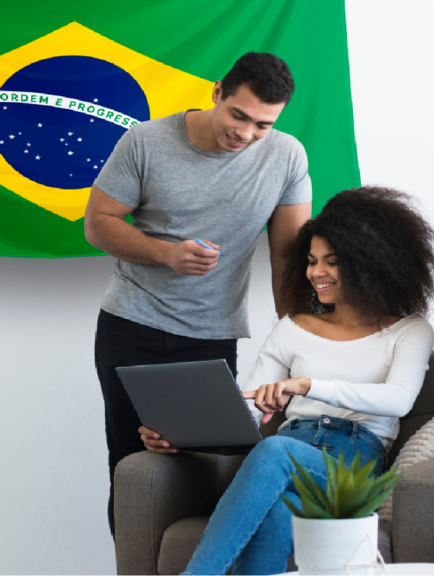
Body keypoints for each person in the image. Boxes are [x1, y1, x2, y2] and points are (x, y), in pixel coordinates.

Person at [145, 186, 434, 575]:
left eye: (331, 261)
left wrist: (305, 385)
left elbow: (399, 400)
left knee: (273, 452)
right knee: (277, 508)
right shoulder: (293, 327)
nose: (316, 272)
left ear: (371, 262)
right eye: (311, 260)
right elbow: (247, 405)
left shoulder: (410, 330)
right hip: (292, 448)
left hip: (352, 464)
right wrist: (177, 432)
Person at [83, 52, 312, 536]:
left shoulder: (287, 155)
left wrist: (297, 346)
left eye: (262, 125)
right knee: (132, 468)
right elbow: (98, 225)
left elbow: (288, 258)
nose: (246, 134)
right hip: (132, 327)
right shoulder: (146, 142)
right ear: (217, 93)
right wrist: (165, 254)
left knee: (211, 468)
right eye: (239, 115)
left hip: (211, 336)